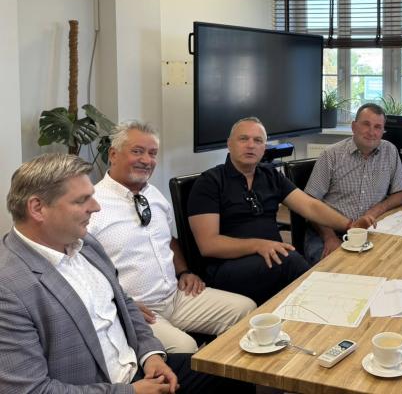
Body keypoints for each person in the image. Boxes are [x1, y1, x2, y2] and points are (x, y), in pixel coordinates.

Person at [0, 153, 250, 393]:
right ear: (37, 208)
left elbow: (125, 303)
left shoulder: (85, 244)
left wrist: (151, 355)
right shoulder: (9, 288)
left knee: (237, 374)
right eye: (81, 200)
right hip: (105, 387)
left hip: (139, 370)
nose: (96, 207)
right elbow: (29, 389)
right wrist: (130, 391)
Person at [89, 121, 256, 353]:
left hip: (175, 297)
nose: (146, 160)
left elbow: (168, 240)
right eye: (137, 151)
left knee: (246, 310)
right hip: (135, 310)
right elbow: (81, 271)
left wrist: (184, 271)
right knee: (185, 347)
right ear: (113, 154)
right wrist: (119, 305)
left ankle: (227, 370)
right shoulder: (93, 206)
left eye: (152, 153)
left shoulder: (154, 195)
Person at [188, 117, 376, 305]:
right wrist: (257, 245)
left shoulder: (270, 175)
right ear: (229, 144)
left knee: (296, 264)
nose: (251, 145)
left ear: (264, 148)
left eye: (258, 140)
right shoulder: (210, 182)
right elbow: (209, 244)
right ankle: (336, 303)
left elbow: (310, 206)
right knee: (292, 263)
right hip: (226, 268)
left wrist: (349, 225)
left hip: (271, 261)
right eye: (243, 139)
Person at [303, 103, 402, 264]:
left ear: (383, 131)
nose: (371, 132)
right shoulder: (331, 155)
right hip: (329, 232)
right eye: (366, 124)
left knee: (393, 262)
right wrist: (329, 237)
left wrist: (375, 211)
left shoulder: (390, 151)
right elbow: (309, 203)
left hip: (368, 232)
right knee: (336, 270)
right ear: (354, 127)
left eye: (378, 127)